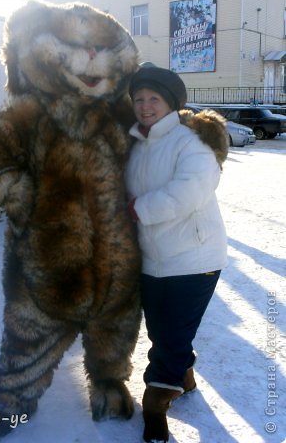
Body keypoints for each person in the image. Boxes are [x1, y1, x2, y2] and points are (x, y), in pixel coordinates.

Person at [125, 65, 227, 443]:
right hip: (154, 259)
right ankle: (184, 374)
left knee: (170, 336)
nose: (145, 106)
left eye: (154, 99)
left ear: (171, 103)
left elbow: (189, 192)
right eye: (139, 99)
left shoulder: (191, 141)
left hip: (195, 257)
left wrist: (136, 209)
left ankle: (156, 404)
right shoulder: (137, 144)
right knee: (162, 331)